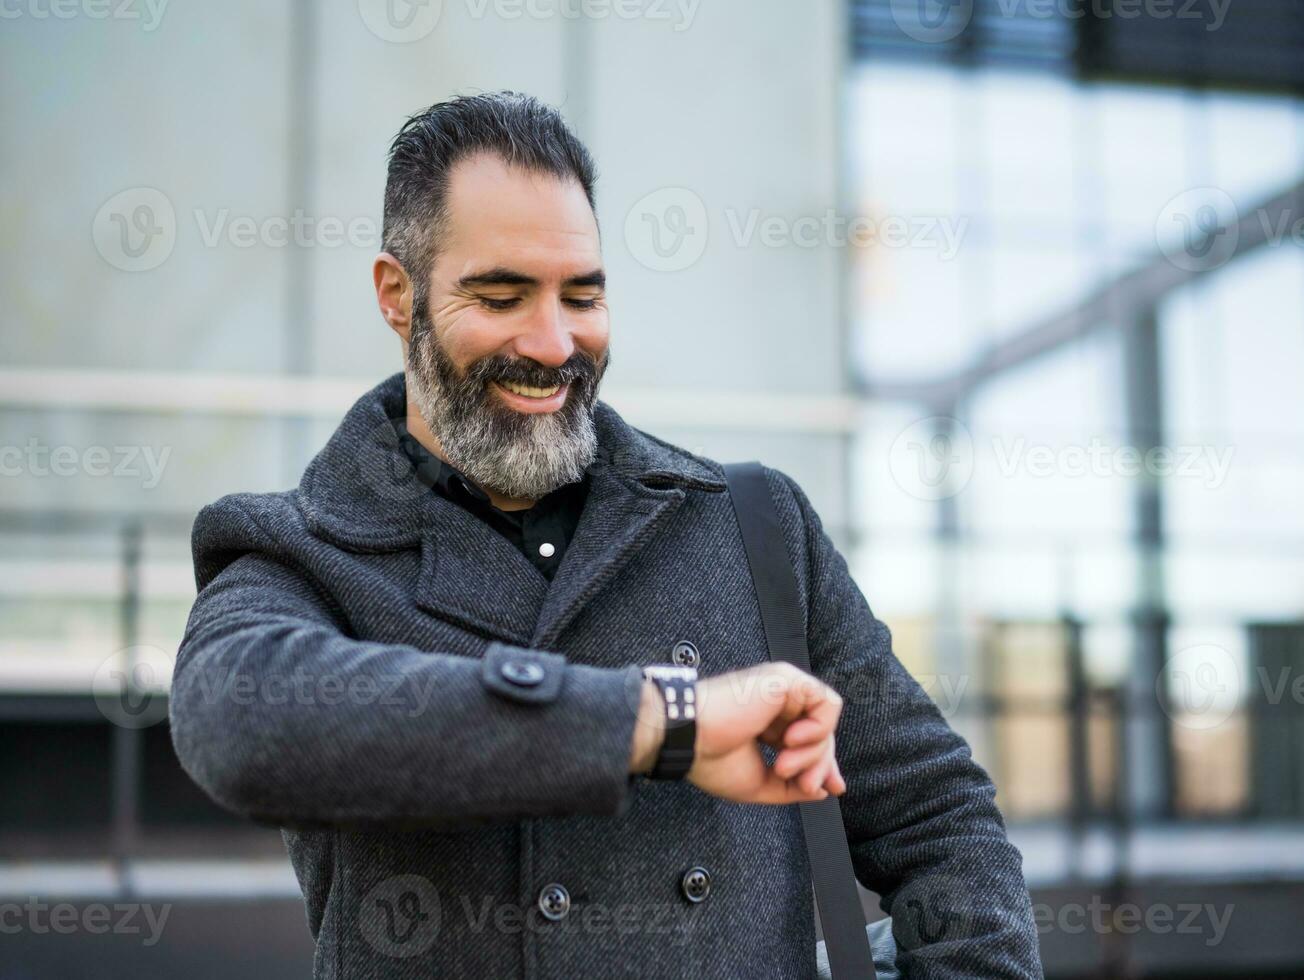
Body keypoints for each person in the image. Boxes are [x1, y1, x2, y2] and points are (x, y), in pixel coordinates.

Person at [169, 91, 1041, 979]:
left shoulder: (754, 527)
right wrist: (664, 723)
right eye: (502, 295)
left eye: (581, 295)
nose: (553, 344)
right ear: (398, 296)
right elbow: (242, 722)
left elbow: (941, 822)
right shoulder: (299, 546)